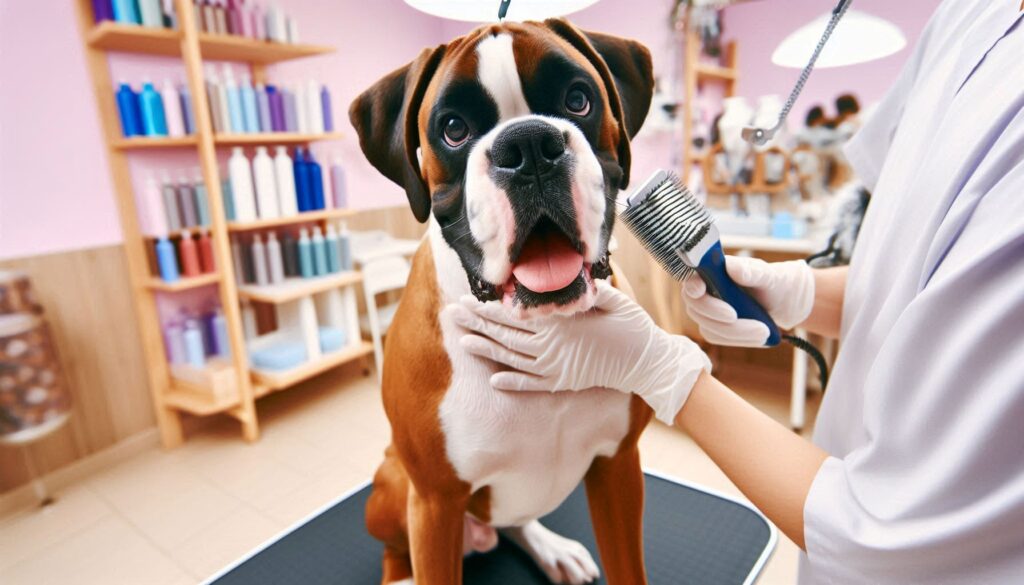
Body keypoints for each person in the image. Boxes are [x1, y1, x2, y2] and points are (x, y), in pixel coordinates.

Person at [450, 0, 1024, 582]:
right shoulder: (966, 16)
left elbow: (886, 537)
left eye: (577, 103)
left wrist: (663, 370)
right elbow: (920, 274)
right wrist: (804, 292)